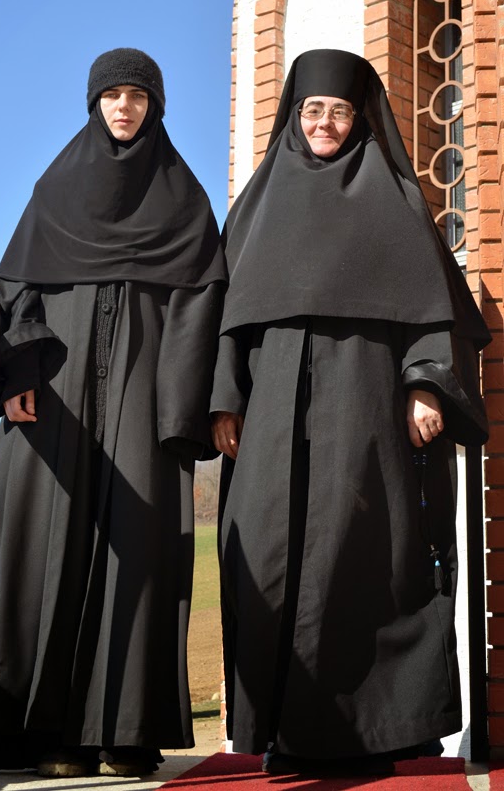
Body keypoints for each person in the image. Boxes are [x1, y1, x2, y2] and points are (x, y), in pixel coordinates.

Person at [0, 47, 226, 778]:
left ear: (156, 107)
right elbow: (16, 289)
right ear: (94, 104)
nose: (124, 107)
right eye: (112, 95)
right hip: (52, 398)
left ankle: (120, 734)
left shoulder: (185, 201)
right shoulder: (55, 190)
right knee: (38, 547)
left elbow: (202, 305)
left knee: (139, 553)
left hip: (143, 398)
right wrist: (16, 377)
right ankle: (34, 734)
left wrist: (179, 406)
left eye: (138, 96)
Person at [211, 49, 490, 778]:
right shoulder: (256, 207)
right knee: (266, 556)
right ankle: (282, 729)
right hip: (270, 409)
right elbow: (226, 318)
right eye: (312, 110)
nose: (325, 123)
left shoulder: (395, 200)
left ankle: (387, 729)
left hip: (364, 403)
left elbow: (429, 311)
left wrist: (424, 385)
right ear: (293, 115)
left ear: (360, 118)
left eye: (339, 111)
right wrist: (224, 401)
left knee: (368, 554)